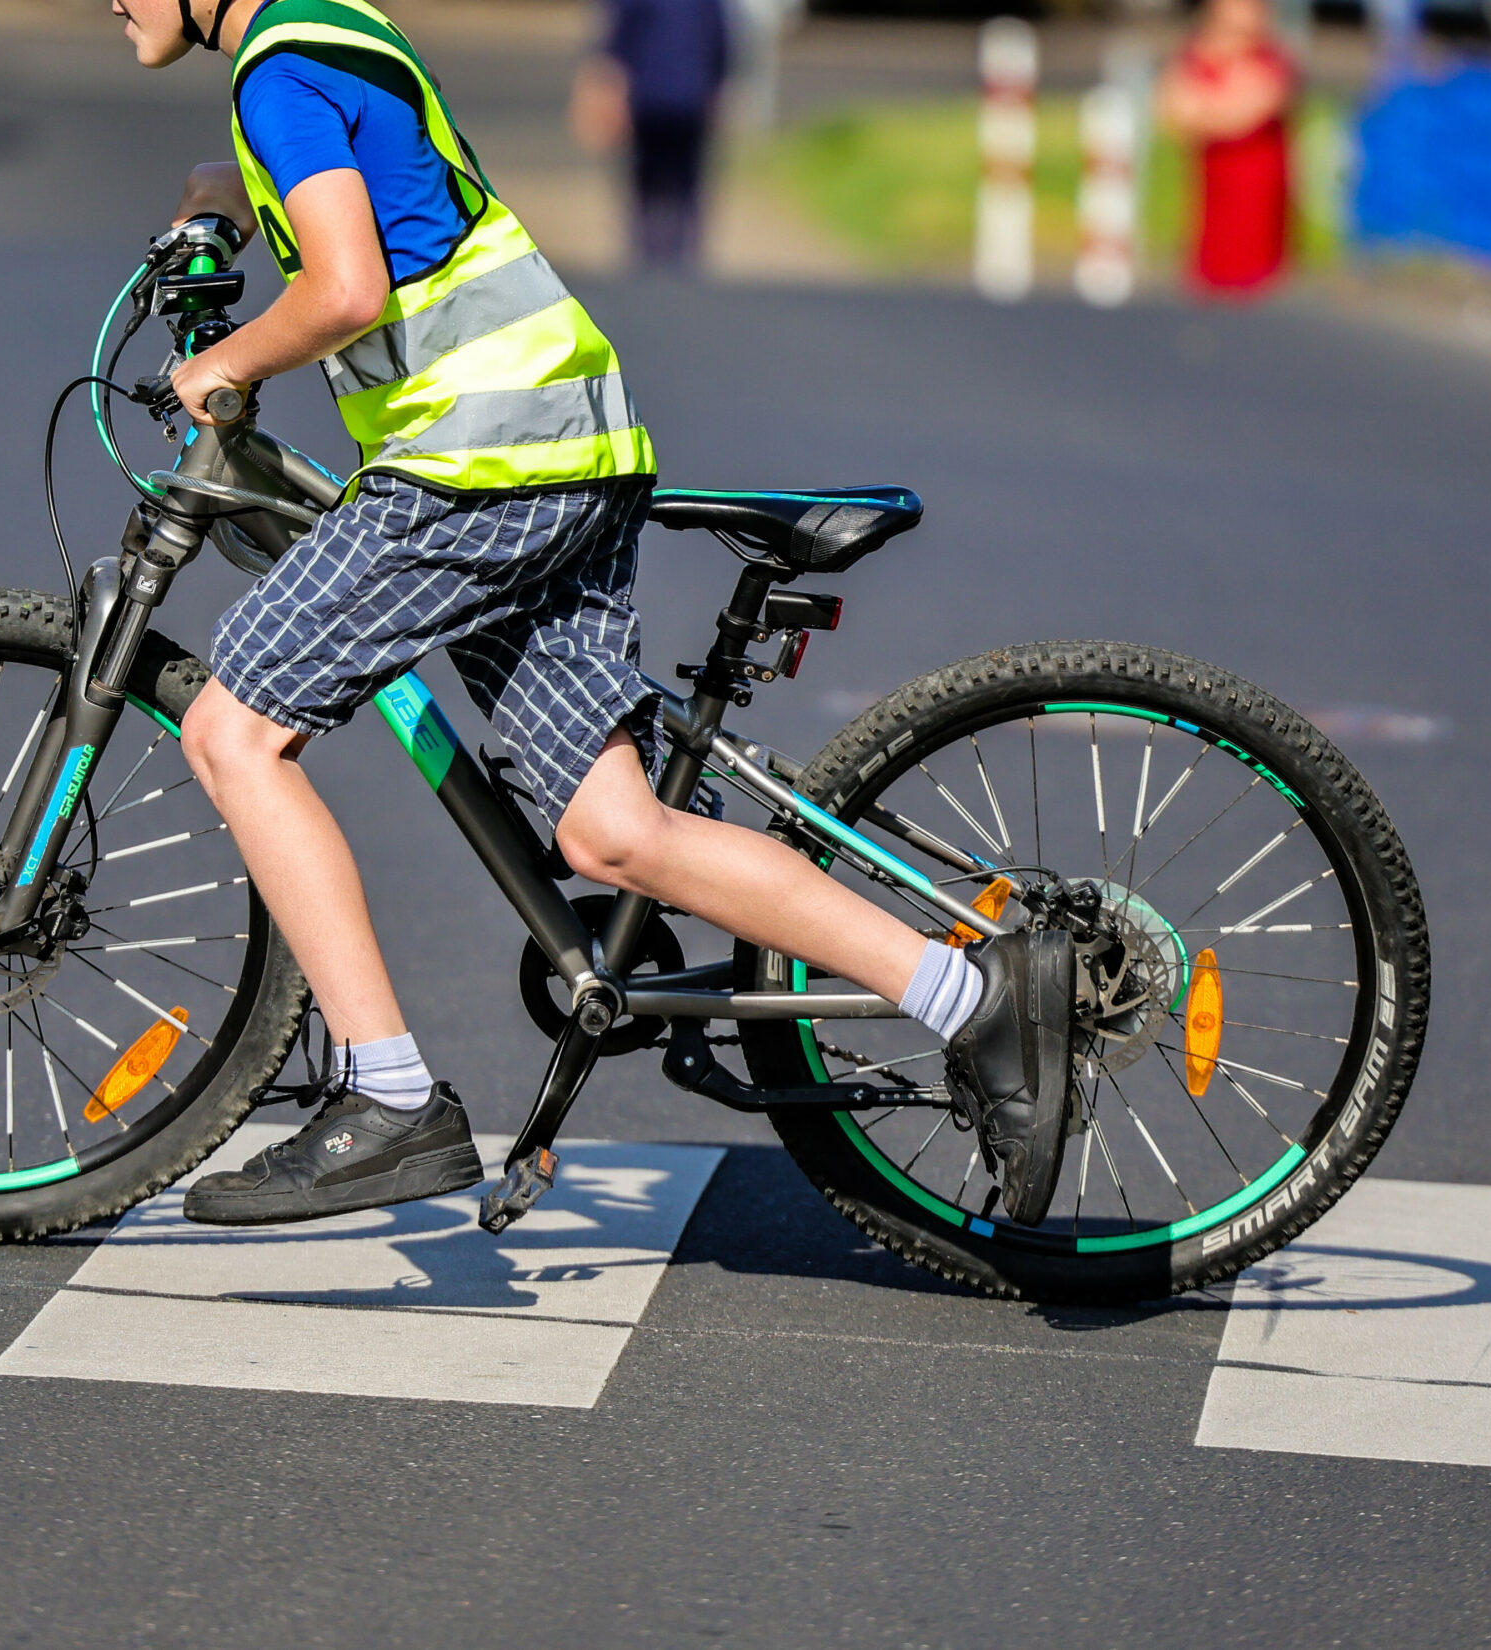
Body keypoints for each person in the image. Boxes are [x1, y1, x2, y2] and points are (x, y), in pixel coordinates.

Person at [106, 0, 1078, 1228]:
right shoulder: (325, 34)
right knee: (614, 834)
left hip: (476, 468)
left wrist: (227, 359)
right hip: (565, 447)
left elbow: (347, 287)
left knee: (231, 731)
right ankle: (967, 997)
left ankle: (386, 1094)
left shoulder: (277, 78)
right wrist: (216, 204)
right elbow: (351, 183)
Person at [572, 0, 734, 268]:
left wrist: (604, 96)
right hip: (690, 98)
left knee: (648, 177)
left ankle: (649, 248)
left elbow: (615, 45)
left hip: (647, 97)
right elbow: (721, 41)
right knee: (686, 178)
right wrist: (716, 89)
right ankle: (681, 247)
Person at [1157, 0, 1298, 296]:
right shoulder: (1195, 54)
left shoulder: (1270, 58)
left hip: (1260, 200)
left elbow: (1250, 112)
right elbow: (1174, 112)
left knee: (1260, 292)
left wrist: (1206, 110)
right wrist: (1218, 109)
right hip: (1214, 196)